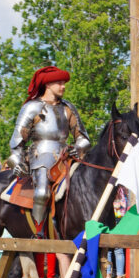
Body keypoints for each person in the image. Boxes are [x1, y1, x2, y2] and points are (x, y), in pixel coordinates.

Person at [7, 66, 90, 224]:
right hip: (41, 157)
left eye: (64, 83)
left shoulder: (68, 108)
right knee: (42, 192)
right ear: (48, 85)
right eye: (59, 83)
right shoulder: (32, 107)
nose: (63, 86)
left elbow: (83, 137)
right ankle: (38, 232)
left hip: (66, 158)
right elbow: (18, 140)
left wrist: (78, 148)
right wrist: (16, 161)